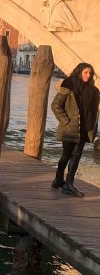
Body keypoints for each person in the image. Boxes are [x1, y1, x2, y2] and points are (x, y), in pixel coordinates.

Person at [50, 63, 99, 197]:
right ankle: (60, 179)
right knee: (66, 155)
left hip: (84, 129)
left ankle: (68, 184)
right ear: (79, 72)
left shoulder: (94, 91)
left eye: (90, 73)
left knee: (76, 156)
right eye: (85, 72)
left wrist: (93, 129)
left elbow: (94, 113)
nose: (88, 75)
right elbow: (56, 106)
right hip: (69, 129)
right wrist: (66, 121)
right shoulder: (68, 85)